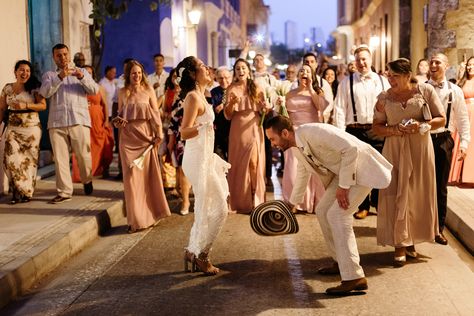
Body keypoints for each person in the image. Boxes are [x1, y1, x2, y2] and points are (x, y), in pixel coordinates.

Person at [264, 115, 392, 295]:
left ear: (284, 133)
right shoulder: (296, 147)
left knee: (337, 215)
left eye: (272, 139)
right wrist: (292, 203)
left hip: (361, 170)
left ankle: (354, 277)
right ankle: (341, 261)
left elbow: (351, 149)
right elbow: (302, 174)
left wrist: (343, 186)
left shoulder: (314, 132)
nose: (272, 144)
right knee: (323, 210)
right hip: (344, 174)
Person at [373, 58, 446, 265]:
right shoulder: (383, 98)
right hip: (394, 149)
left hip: (420, 148)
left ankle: (410, 239)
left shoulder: (425, 91)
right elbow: (377, 126)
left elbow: (441, 118)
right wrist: (395, 129)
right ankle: (399, 243)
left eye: (394, 75)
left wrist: (421, 125)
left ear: (407, 75)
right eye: (388, 75)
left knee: (415, 194)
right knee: (396, 192)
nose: (390, 79)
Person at [178, 56, 230, 276]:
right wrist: (205, 126)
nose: (208, 69)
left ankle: (193, 251)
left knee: (212, 207)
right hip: (196, 159)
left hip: (206, 156)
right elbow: (183, 132)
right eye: (202, 67)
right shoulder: (192, 98)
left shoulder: (203, 95)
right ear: (193, 74)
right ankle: (202, 255)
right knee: (218, 209)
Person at [333, 45, 390, 219]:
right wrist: (340, 135)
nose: (361, 63)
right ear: (354, 62)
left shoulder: (382, 81)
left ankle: (379, 204)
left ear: (371, 59)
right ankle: (362, 206)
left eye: (364, 59)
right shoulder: (346, 82)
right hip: (355, 131)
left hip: (377, 129)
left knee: (381, 168)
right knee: (359, 171)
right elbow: (339, 109)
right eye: (358, 60)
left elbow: (390, 106)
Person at [114, 60, 171, 232]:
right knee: (131, 180)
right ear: (127, 75)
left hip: (146, 137)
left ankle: (151, 214)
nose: (137, 76)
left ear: (143, 74)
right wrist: (118, 121)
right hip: (128, 138)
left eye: (139, 73)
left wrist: (159, 133)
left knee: (147, 178)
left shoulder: (149, 90)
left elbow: (155, 114)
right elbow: (118, 116)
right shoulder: (123, 92)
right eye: (133, 73)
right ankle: (135, 220)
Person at [40, 43, 98, 204]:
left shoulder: (82, 72)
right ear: (54, 57)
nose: (62, 58)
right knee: (60, 159)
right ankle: (65, 191)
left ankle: (87, 179)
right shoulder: (49, 75)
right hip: (56, 123)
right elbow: (44, 92)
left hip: (78, 119)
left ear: (69, 54)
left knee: (83, 155)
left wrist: (81, 77)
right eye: (58, 55)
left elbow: (94, 90)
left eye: (65, 54)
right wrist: (60, 77)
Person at [427, 53, 470, 245]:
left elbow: (462, 119)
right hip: (423, 139)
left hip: (444, 139)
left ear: (446, 66)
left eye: (438, 62)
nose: (433, 65)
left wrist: (464, 143)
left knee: (440, 187)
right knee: (420, 186)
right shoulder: (421, 88)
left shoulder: (455, 90)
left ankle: (438, 229)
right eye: (432, 62)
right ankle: (420, 227)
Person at [224, 58, 268, 213]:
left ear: (248, 70)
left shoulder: (256, 87)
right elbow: (228, 115)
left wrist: (265, 108)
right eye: (237, 69)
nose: (241, 71)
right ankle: (242, 200)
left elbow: (264, 111)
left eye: (243, 68)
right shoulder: (231, 88)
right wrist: (231, 104)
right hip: (237, 130)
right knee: (239, 164)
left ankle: (255, 199)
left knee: (254, 163)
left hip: (254, 127)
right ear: (235, 72)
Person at [281, 64, 326, 213]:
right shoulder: (290, 93)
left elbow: (321, 108)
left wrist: (311, 89)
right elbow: (284, 115)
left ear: (312, 75)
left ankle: (313, 202)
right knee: (293, 168)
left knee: (312, 167)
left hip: (311, 132)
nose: (304, 73)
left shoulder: (317, 92)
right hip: (294, 133)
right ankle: (295, 202)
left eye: (307, 71)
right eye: (301, 70)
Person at [0, 60, 46, 203]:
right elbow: (2, 108)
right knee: (10, 159)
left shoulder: (35, 87)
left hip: (31, 130)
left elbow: (43, 105)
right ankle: (17, 191)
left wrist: (25, 104)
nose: (24, 73)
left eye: (27, 70)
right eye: (21, 70)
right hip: (13, 129)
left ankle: (24, 193)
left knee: (28, 162)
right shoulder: (7, 88)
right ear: (15, 72)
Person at [72, 65, 114, 181]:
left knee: (100, 145)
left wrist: (106, 121)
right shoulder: (77, 87)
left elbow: (105, 105)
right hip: (82, 119)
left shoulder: (99, 88)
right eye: (86, 72)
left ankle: (99, 169)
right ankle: (82, 173)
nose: (88, 74)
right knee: (83, 146)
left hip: (97, 119)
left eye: (90, 72)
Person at [253, 53, 278, 191]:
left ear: (265, 62)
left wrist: (271, 107)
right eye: (256, 60)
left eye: (260, 59)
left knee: (267, 145)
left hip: (268, 114)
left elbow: (275, 95)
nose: (258, 62)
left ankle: (267, 175)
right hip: (255, 114)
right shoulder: (251, 77)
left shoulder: (271, 78)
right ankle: (257, 174)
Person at [168, 74, 192, 216]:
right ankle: (185, 201)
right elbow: (173, 122)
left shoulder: (198, 96)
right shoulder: (178, 102)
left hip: (198, 137)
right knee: (183, 169)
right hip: (182, 139)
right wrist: (171, 141)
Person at [449, 56, 474, 186]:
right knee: (462, 142)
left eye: (473, 64)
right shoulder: (462, 81)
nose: (471, 67)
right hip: (464, 113)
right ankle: (458, 174)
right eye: (469, 65)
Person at [302, 52, 333, 122]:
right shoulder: (296, 83)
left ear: (316, 64)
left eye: (312, 62)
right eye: (306, 62)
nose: (309, 64)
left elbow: (329, 103)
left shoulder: (323, 83)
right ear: (303, 65)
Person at [210, 66, 232, 161]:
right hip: (219, 129)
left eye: (226, 77)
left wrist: (224, 105)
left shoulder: (235, 89)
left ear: (230, 77)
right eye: (221, 78)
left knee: (233, 157)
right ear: (217, 79)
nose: (224, 80)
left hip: (233, 128)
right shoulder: (213, 92)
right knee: (219, 158)